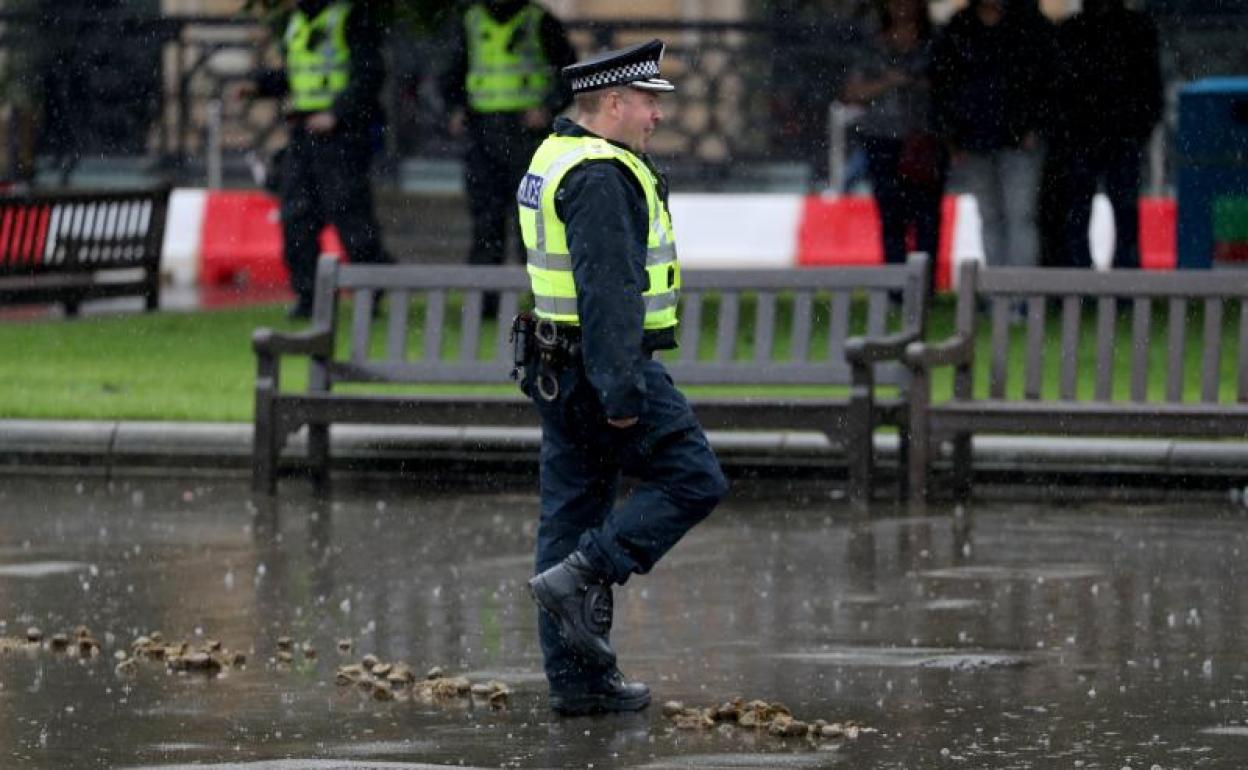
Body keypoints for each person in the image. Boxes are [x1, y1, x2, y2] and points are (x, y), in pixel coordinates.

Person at [514, 39, 728, 717]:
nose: (656, 117)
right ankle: (584, 578)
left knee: (570, 512)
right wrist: (623, 393)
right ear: (612, 102)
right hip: (601, 367)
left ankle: (578, 683)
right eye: (647, 102)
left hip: (558, 366)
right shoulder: (601, 175)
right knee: (694, 477)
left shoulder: (557, 154)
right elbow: (608, 294)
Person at [244, 0, 391, 320]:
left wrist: (337, 114)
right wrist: (260, 85)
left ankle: (370, 293)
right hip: (303, 137)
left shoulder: (349, 17)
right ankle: (309, 297)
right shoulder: (296, 22)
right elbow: (296, 74)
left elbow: (368, 75)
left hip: (343, 138)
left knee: (351, 217)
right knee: (296, 216)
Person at [441, 1, 577, 280]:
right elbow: (451, 74)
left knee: (531, 219)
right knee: (485, 219)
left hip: (526, 135)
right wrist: (456, 109)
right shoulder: (471, 21)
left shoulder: (539, 21)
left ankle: (538, 292)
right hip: (482, 131)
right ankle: (485, 298)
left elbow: (570, 73)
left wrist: (549, 107)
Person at [931, 0, 1056, 270]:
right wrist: (951, 135)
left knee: (1021, 216)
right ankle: (998, 292)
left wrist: (1034, 125)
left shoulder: (1028, 25)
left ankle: (1021, 297)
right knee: (989, 217)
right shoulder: (960, 27)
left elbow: (1049, 79)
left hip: (1021, 141)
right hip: (974, 141)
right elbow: (943, 84)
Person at [842, 0, 945, 287]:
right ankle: (896, 285)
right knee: (891, 216)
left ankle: (925, 287)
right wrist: (890, 81)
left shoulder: (935, 43)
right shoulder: (872, 45)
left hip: (925, 139)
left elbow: (948, 86)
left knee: (927, 217)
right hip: (883, 139)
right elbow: (851, 92)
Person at [1057, 0, 1163, 269]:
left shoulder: (1134, 29)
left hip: (1114, 133)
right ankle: (1087, 277)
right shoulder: (1075, 31)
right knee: (1085, 211)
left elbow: (1150, 82)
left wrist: (1142, 124)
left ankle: (1114, 278)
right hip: (1090, 134)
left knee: (1119, 211)